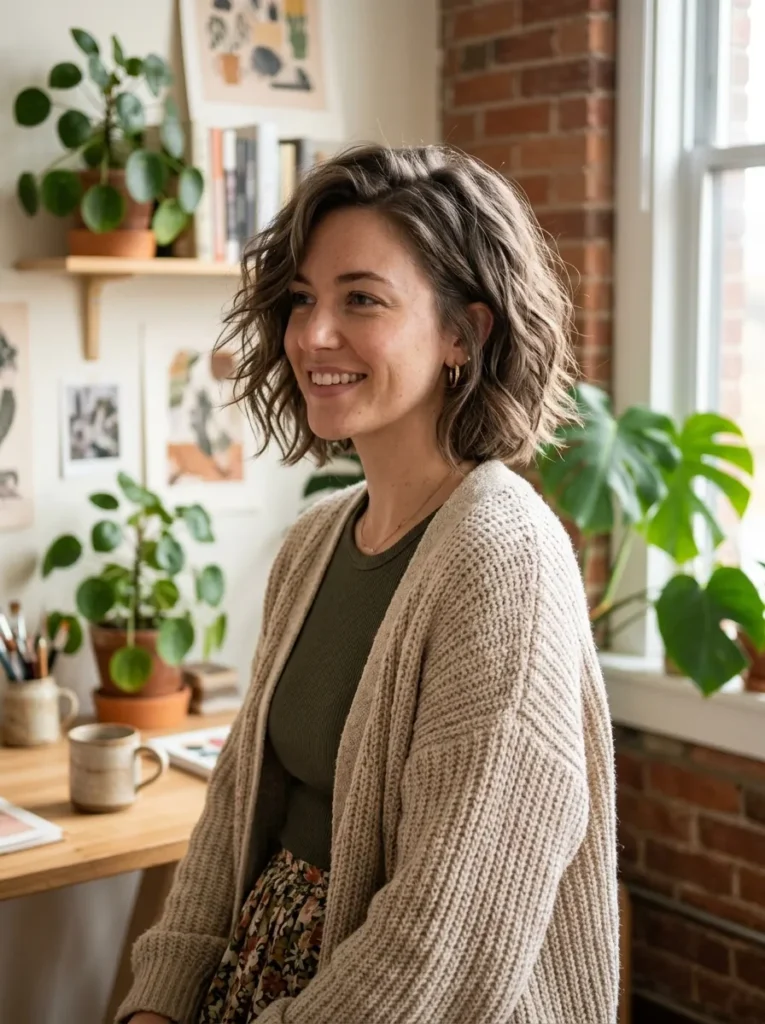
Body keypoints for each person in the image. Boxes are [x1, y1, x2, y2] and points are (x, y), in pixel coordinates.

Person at [121, 144, 619, 1024]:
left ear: (465, 334)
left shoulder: (502, 557)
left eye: (362, 299)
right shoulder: (314, 541)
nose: (313, 334)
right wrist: (157, 1002)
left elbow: (441, 941)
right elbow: (236, 811)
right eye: (304, 298)